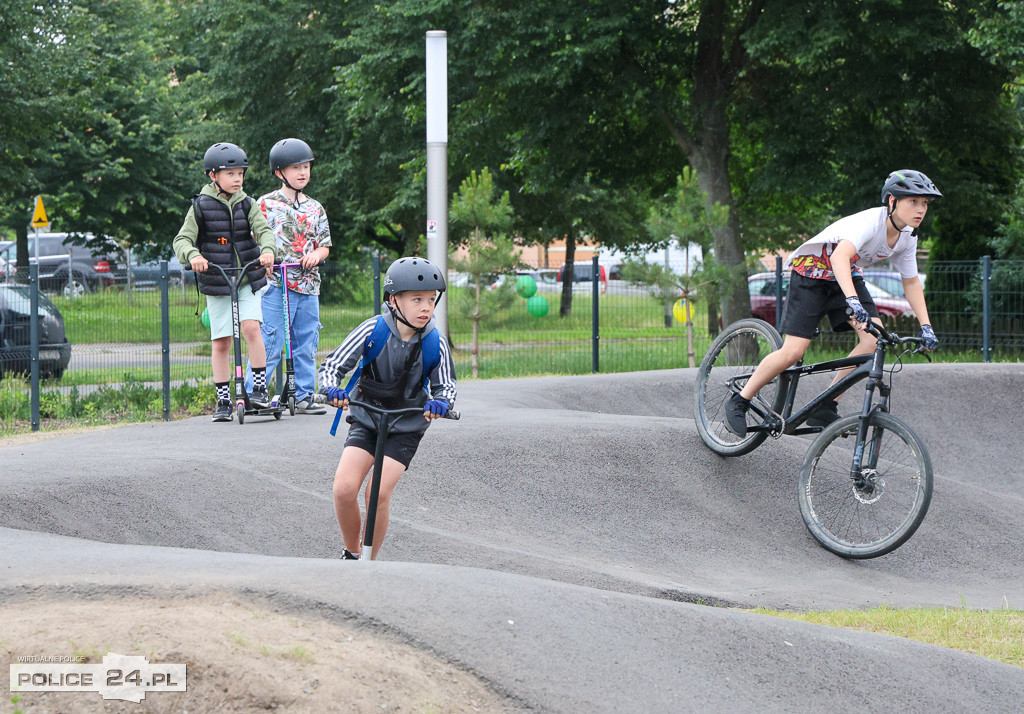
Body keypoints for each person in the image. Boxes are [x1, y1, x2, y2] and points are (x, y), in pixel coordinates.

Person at [725, 169, 942, 437]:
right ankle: (740, 400)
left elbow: (910, 281)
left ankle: (827, 403)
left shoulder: (907, 237)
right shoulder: (869, 223)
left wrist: (926, 326)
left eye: (925, 203)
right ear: (892, 201)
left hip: (845, 276)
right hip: (811, 274)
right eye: (913, 201)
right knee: (793, 351)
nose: (920, 209)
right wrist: (852, 300)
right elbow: (840, 257)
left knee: (872, 340)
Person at [318, 257, 457, 560]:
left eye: (431, 300)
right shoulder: (372, 330)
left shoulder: (436, 343)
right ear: (394, 300)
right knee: (343, 489)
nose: (426, 308)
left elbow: (446, 387)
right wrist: (331, 389)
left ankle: (369, 563)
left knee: (376, 494)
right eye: (417, 299)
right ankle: (353, 554)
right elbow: (332, 367)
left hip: (406, 425)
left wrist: (441, 403)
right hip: (367, 417)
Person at [173, 142, 277, 422]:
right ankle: (223, 399)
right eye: (230, 174)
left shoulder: (247, 203)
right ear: (213, 176)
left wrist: (268, 251)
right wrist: (193, 255)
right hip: (218, 279)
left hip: (247, 277)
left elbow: (264, 230)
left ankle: (260, 390)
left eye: (240, 174)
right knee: (221, 342)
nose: (237, 179)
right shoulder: (201, 206)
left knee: (251, 328)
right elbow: (182, 239)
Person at [244, 138, 332, 414]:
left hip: (308, 284)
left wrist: (316, 256)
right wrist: (262, 258)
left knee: (306, 341)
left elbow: (325, 245)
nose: (303, 173)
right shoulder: (266, 204)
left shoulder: (315, 208)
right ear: (279, 172)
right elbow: (252, 237)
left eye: (306, 167)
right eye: (296, 168)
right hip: (275, 284)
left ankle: (303, 394)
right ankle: (254, 393)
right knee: (270, 339)